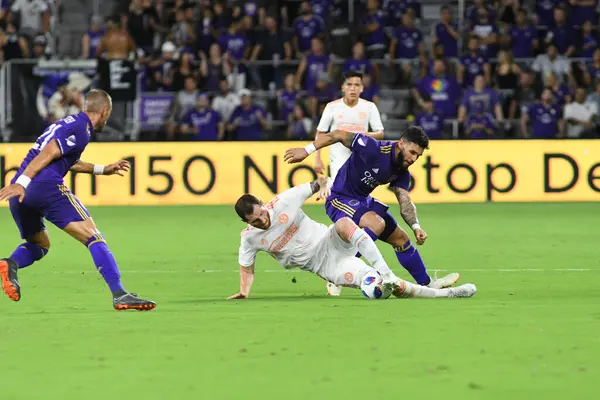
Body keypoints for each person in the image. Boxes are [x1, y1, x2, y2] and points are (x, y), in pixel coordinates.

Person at [0, 89, 156, 311]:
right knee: (94, 237)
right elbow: (50, 153)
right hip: (40, 186)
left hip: (22, 195)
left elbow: (67, 159)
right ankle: (120, 294)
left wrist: (103, 169)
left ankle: (10, 264)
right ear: (104, 111)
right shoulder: (81, 129)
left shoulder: (68, 124)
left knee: (40, 244)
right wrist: (22, 183)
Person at [284, 126, 461, 296]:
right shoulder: (373, 148)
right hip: (339, 198)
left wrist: (416, 226)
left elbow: (405, 201)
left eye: (418, 156)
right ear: (401, 144)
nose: (414, 159)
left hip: (362, 201)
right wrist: (306, 151)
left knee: (401, 239)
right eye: (412, 152)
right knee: (376, 223)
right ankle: (337, 271)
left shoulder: (402, 171)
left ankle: (428, 283)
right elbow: (337, 134)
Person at [229, 179, 476, 300]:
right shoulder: (250, 239)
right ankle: (445, 295)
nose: (263, 220)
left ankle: (386, 272)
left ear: (263, 203)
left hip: (329, 240)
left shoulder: (284, 200)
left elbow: (319, 182)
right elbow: (246, 267)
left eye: (262, 213)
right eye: (256, 220)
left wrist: (324, 186)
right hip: (326, 266)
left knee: (344, 223)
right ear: (246, 223)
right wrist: (243, 292)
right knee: (376, 291)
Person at [313, 71, 384, 182]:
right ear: (343, 87)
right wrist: (317, 158)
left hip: (361, 159)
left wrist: (362, 136)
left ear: (362, 88)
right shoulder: (332, 107)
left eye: (357, 85)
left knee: (358, 195)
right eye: (349, 84)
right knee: (340, 191)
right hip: (338, 159)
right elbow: (321, 133)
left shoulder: (369, 107)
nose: (353, 88)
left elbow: (380, 133)